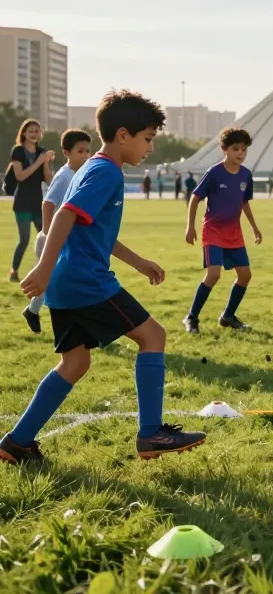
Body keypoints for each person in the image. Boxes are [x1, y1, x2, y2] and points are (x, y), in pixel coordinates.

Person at [0, 90, 205, 465]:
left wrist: (138, 262)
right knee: (153, 335)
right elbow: (62, 216)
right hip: (85, 280)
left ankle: (17, 442)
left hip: (67, 282)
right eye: (147, 139)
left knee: (75, 363)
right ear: (123, 135)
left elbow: (92, 228)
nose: (150, 147)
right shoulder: (105, 171)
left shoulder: (97, 168)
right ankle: (151, 434)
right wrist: (43, 267)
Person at [183, 128, 262, 333]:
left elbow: (244, 203)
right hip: (213, 231)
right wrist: (190, 227)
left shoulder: (246, 174)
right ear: (224, 149)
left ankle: (228, 316)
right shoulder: (214, 172)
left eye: (244, 150)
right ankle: (191, 318)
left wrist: (254, 228)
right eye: (236, 149)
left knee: (245, 275)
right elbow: (195, 198)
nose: (241, 153)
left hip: (234, 233)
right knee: (214, 274)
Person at [22, 129, 92, 334]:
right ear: (66, 152)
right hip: (53, 238)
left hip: (64, 237)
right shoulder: (65, 175)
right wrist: (48, 234)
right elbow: (47, 204)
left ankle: (34, 311)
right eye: (80, 151)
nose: (86, 155)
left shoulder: (78, 173)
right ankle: (75, 324)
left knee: (55, 279)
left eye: (88, 151)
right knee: (57, 279)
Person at [9, 119, 55, 282]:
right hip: (22, 203)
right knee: (24, 239)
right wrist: (38, 162)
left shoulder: (41, 152)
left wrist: (46, 163)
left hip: (38, 203)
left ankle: (46, 271)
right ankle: (14, 271)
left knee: (48, 237)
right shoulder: (18, 151)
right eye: (31, 131)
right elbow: (20, 176)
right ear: (24, 134)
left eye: (37, 131)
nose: (35, 134)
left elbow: (50, 180)